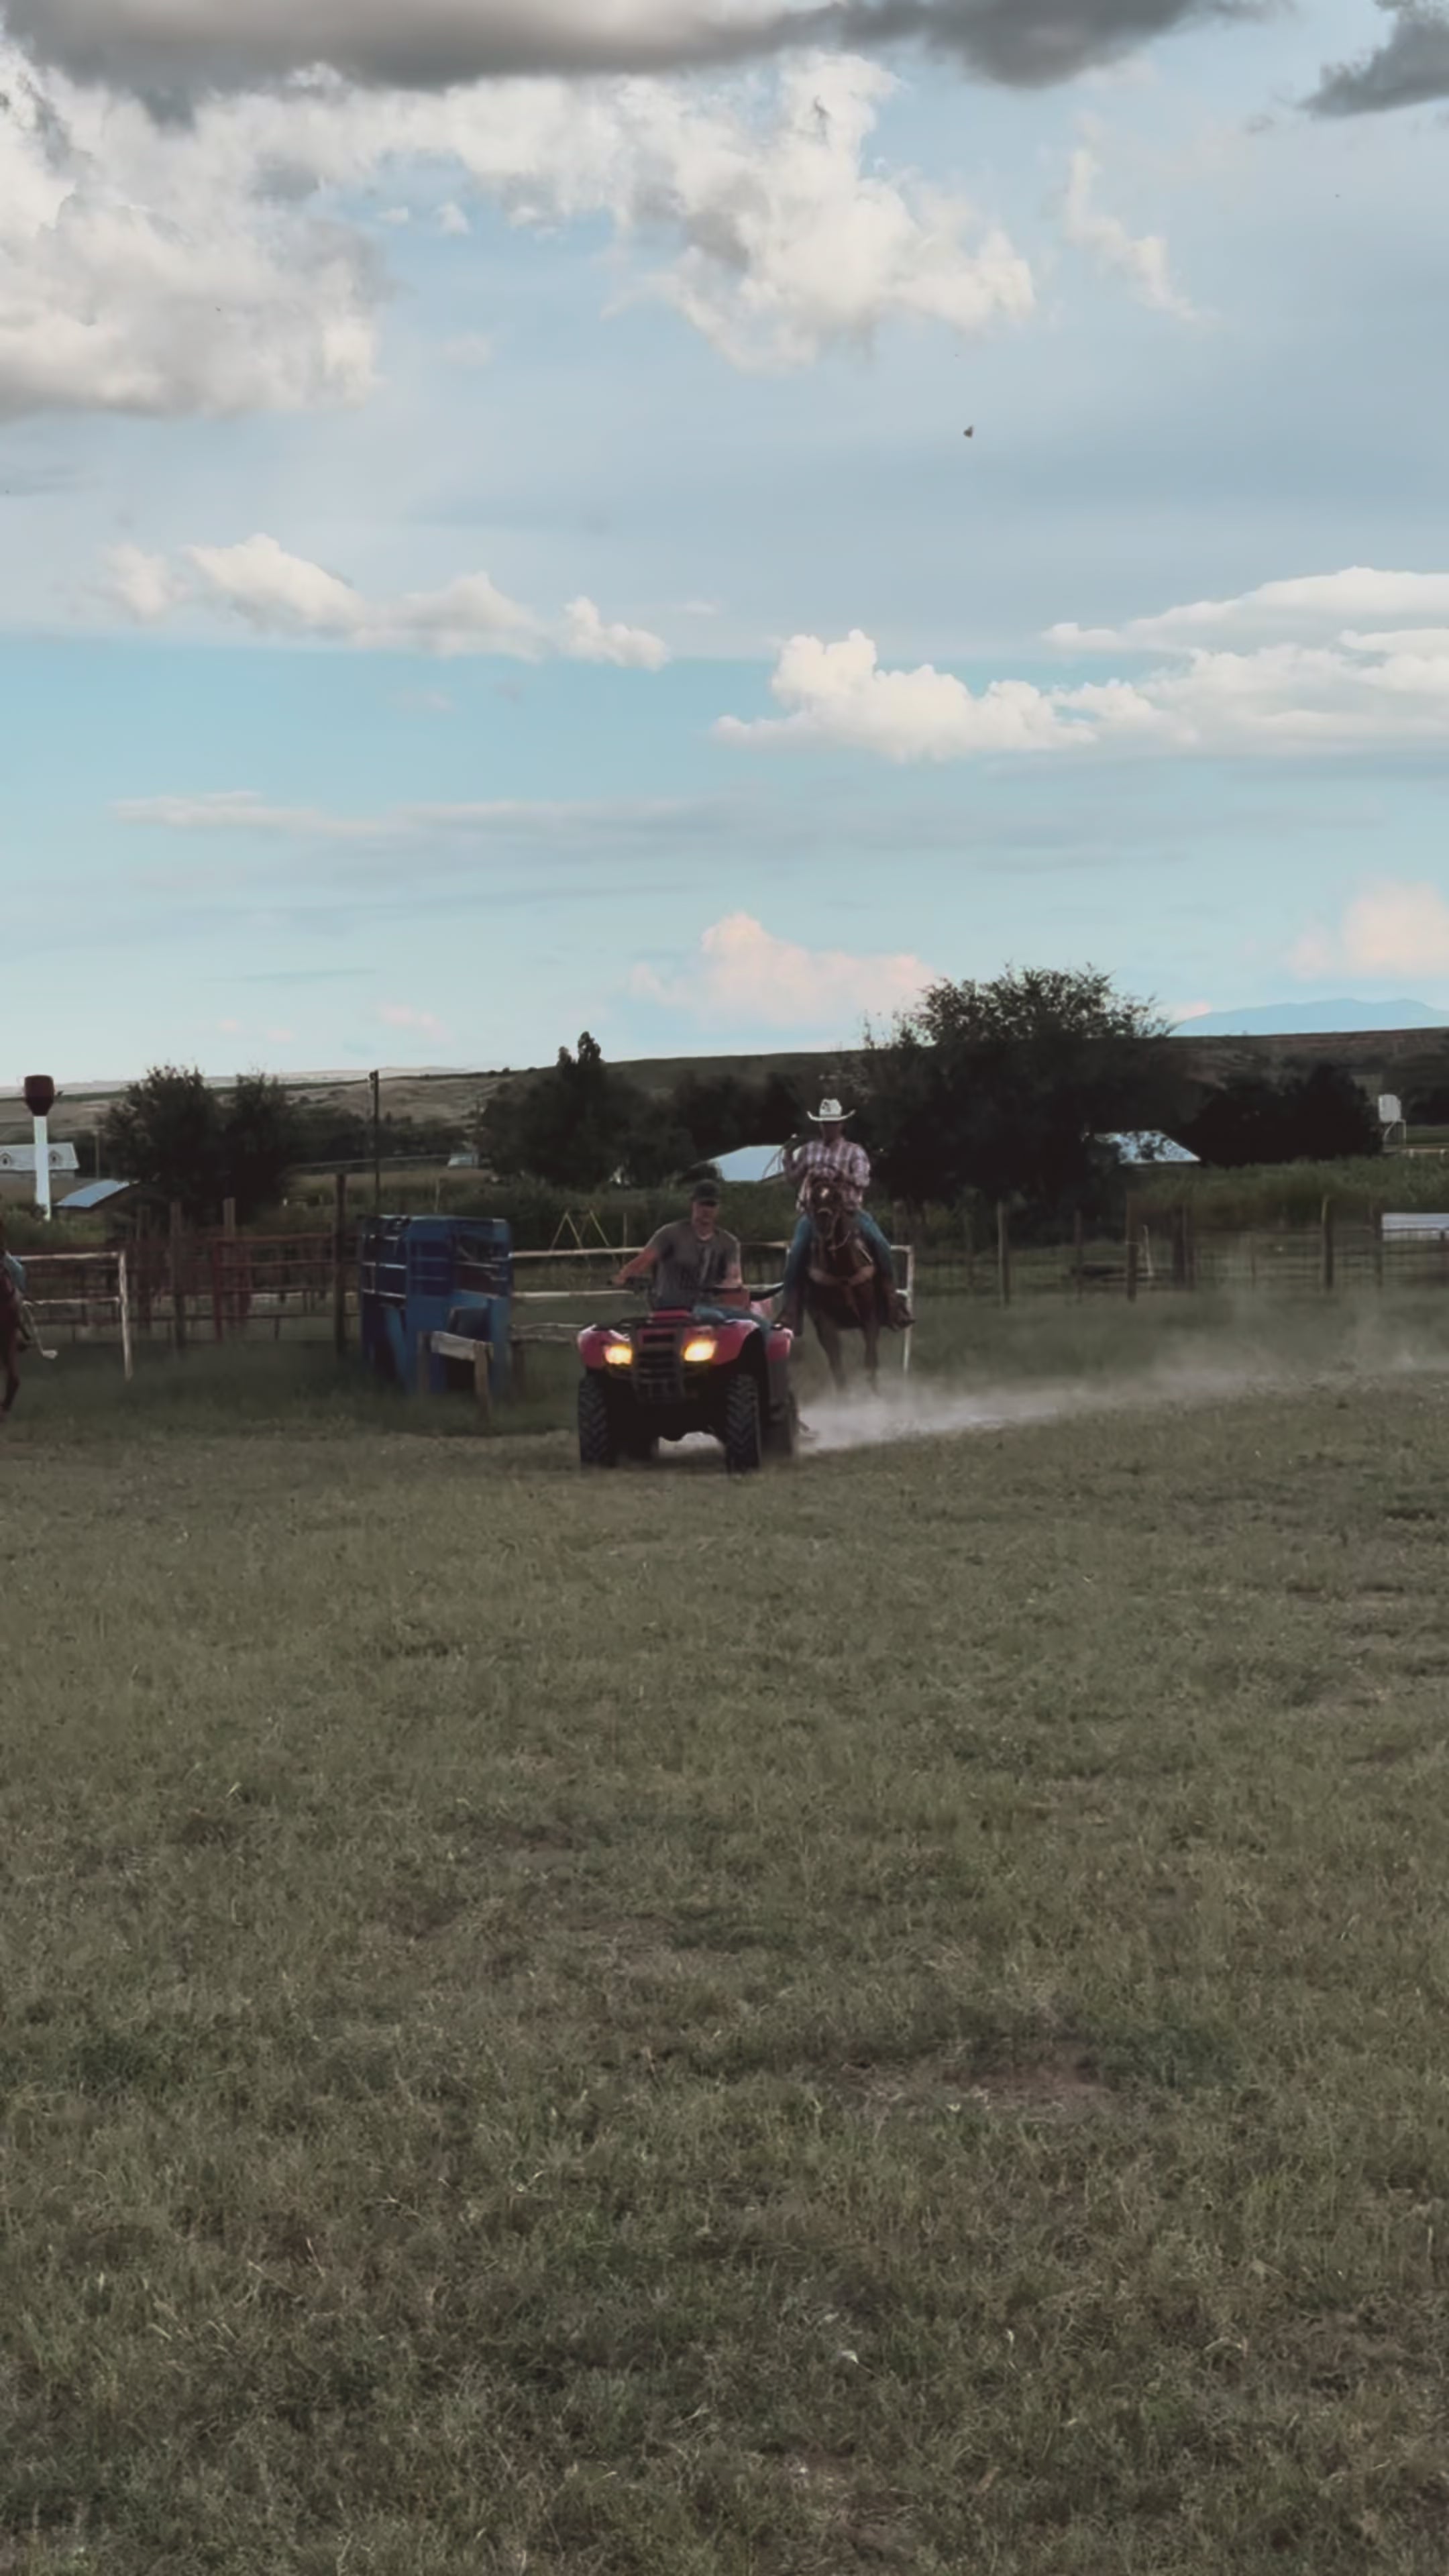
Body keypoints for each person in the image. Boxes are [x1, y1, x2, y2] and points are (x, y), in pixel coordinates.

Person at [777, 1097, 911, 1330]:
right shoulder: (809, 1151)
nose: (828, 1127)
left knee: (880, 1244)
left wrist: (844, 1177)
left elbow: (862, 1180)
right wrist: (788, 1162)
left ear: (841, 1125)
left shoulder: (854, 1152)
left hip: (849, 1211)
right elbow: (794, 1177)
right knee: (797, 1250)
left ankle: (892, 1304)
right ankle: (791, 1310)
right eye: (824, 1123)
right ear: (820, 1125)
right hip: (815, 1214)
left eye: (833, 1123)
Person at [614, 1177, 745, 1311]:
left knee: (756, 1324)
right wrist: (623, 1276)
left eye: (711, 1205)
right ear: (693, 1204)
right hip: (673, 1306)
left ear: (718, 1208)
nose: (707, 1210)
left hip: (712, 1305)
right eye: (702, 1204)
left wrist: (730, 1286)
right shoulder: (671, 1234)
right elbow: (644, 1260)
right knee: (714, 1317)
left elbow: (734, 1277)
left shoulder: (729, 1242)